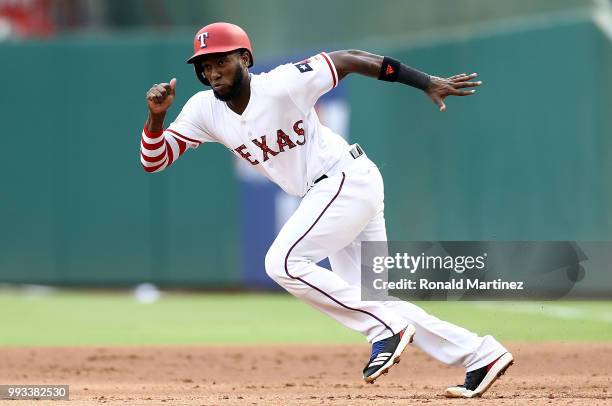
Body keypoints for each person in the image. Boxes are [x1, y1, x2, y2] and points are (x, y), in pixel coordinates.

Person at [140, 22, 513, 398]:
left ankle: (385, 328)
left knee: (282, 263)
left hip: (342, 180)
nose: (213, 71)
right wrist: (156, 118)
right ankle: (480, 354)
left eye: (220, 60)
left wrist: (424, 81)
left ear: (245, 58)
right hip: (337, 189)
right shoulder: (204, 109)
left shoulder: (283, 83)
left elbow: (349, 59)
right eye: (204, 65)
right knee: (373, 297)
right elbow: (155, 159)